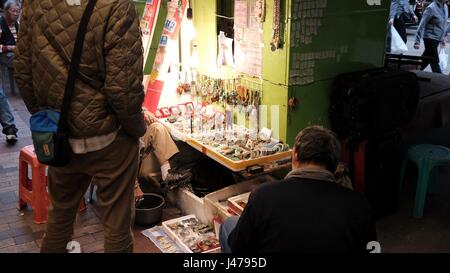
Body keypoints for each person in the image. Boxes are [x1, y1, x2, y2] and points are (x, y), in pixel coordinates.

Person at [14, 0, 147, 253]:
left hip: (61, 135)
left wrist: (49, 118)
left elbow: (22, 70)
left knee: (60, 216)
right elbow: (124, 90)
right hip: (109, 139)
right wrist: (137, 128)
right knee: (117, 225)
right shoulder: (117, 4)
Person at [219, 126, 377, 253]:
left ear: (294, 155)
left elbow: (239, 246)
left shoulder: (263, 195)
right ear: (335, 167)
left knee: (229, 225)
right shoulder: (360, 205)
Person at [138, 107, 193, 193]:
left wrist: (144, 111)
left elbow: (133, 106)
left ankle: (167, 174)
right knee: (157, 128)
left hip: (138, 142)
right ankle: (166, 174)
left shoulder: (127, 99)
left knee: (159, 128)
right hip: (129, 146)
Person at [0, 0, 20, 144]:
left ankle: (10, 128)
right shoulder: (1, 24)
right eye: (13, 11)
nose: (16, 13)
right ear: (5, 11)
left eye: (18, 11)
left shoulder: (17, 25)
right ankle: (9, 127)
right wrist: (9, 48)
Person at [414, 0, 449, 73]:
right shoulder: (431, 8)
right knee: (434, 60)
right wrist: (417, 41)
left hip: (437, 39)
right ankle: (440, 79)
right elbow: (421, 25)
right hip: (429, 38)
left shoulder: (445, 7)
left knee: (425, 59)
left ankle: (413, 72)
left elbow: (444, 24)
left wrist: (443, 38)